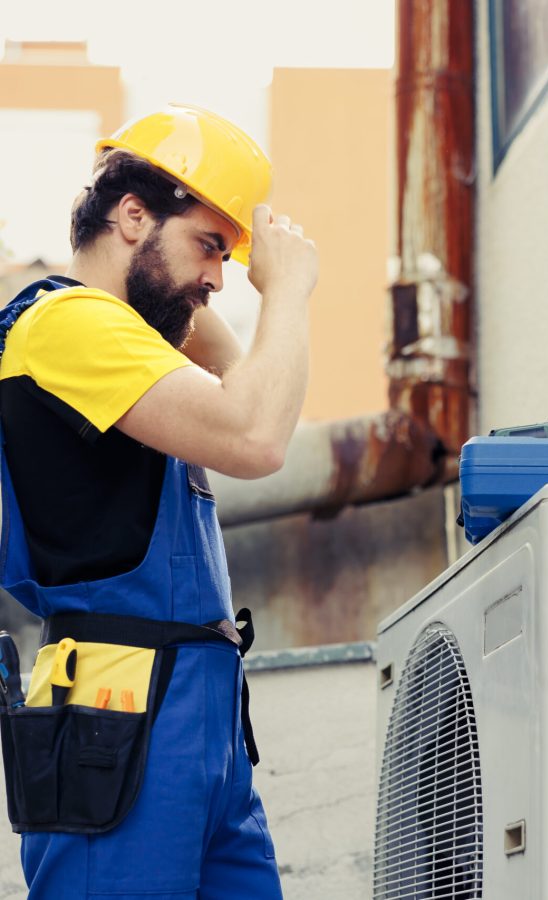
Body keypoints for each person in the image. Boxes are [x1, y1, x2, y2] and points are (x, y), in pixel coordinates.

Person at [0, 103, 317, 898]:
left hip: (197, 717)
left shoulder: (128, 349)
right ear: (131, 215)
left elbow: (253, 395)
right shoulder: (69, 323)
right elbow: (256, 438)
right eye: (209, 246)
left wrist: (186, 293)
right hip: (120, 711)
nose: (217, 276)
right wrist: (289, 292)